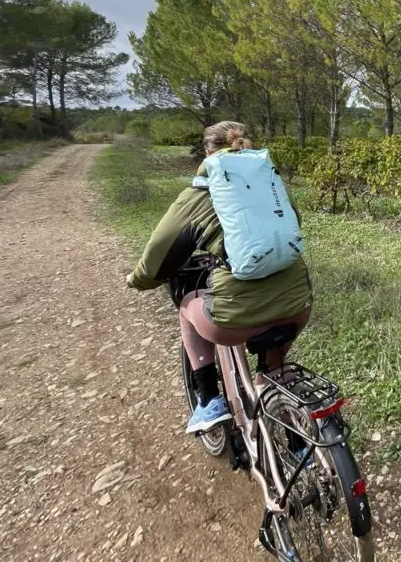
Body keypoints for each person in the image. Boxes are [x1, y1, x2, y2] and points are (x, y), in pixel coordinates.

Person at [126, 121, 312, 433]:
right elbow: (292, 224)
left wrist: (137, 280)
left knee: (187, 305)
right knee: (274, 368)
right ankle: (273, 381)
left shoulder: (198, 195)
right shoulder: (271, 183)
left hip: (232, 322)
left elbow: (158, 256)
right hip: (298, 306)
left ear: (208, 152)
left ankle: (209, 399)